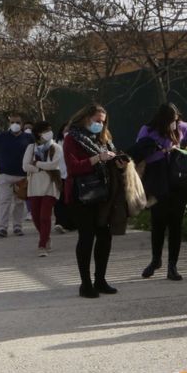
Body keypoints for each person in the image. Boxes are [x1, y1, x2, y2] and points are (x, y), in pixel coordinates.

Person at [136, 103, 187, 282]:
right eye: (171, 121)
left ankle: (172, 265)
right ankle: (155, 260)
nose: (174, 125)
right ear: (162, 120)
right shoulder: (148, 130)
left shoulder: (180, 127)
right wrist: (164, 151)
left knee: (176, 223)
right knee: (157, 222)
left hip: (178, 180)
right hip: (156, 180)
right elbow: (140, 151)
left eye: (176, 121)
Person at [62, 103, 128, 297]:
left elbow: (110, 159)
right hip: (81, 194)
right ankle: (86, 283)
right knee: (86, 237)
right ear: (85, 118)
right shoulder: (72, 138)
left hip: (102, 193)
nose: (100, 124)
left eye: (103, 121)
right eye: (97, 120)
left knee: (105, 236)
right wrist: (98, 158)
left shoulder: (103, 138)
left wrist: (118, 162)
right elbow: (73, 167)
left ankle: (101, 279)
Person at [22, 121, 64, 257]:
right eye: (45, 131)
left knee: (45, 216)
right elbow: (25, 166)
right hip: (34, 186)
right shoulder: (31, 147)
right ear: (38, 134)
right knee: (35, 216)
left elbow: (54, 165)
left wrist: (37, 164)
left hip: (51, 185)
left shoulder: (56, 147)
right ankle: (46, 237)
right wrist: (40, 167)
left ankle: (42, 245)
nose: (49, 133)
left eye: (49, 130)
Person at [0, 112, 33, 237]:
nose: (15, 125)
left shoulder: (28, 138)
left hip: (22, 175)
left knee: (19, 202)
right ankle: (2, 227)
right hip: (5, 175)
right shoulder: (1, 137)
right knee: (4, 201)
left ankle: (17, 227)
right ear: (9, 123)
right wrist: (2, 163)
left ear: (22, 123)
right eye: (12, 122)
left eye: (18, 122)